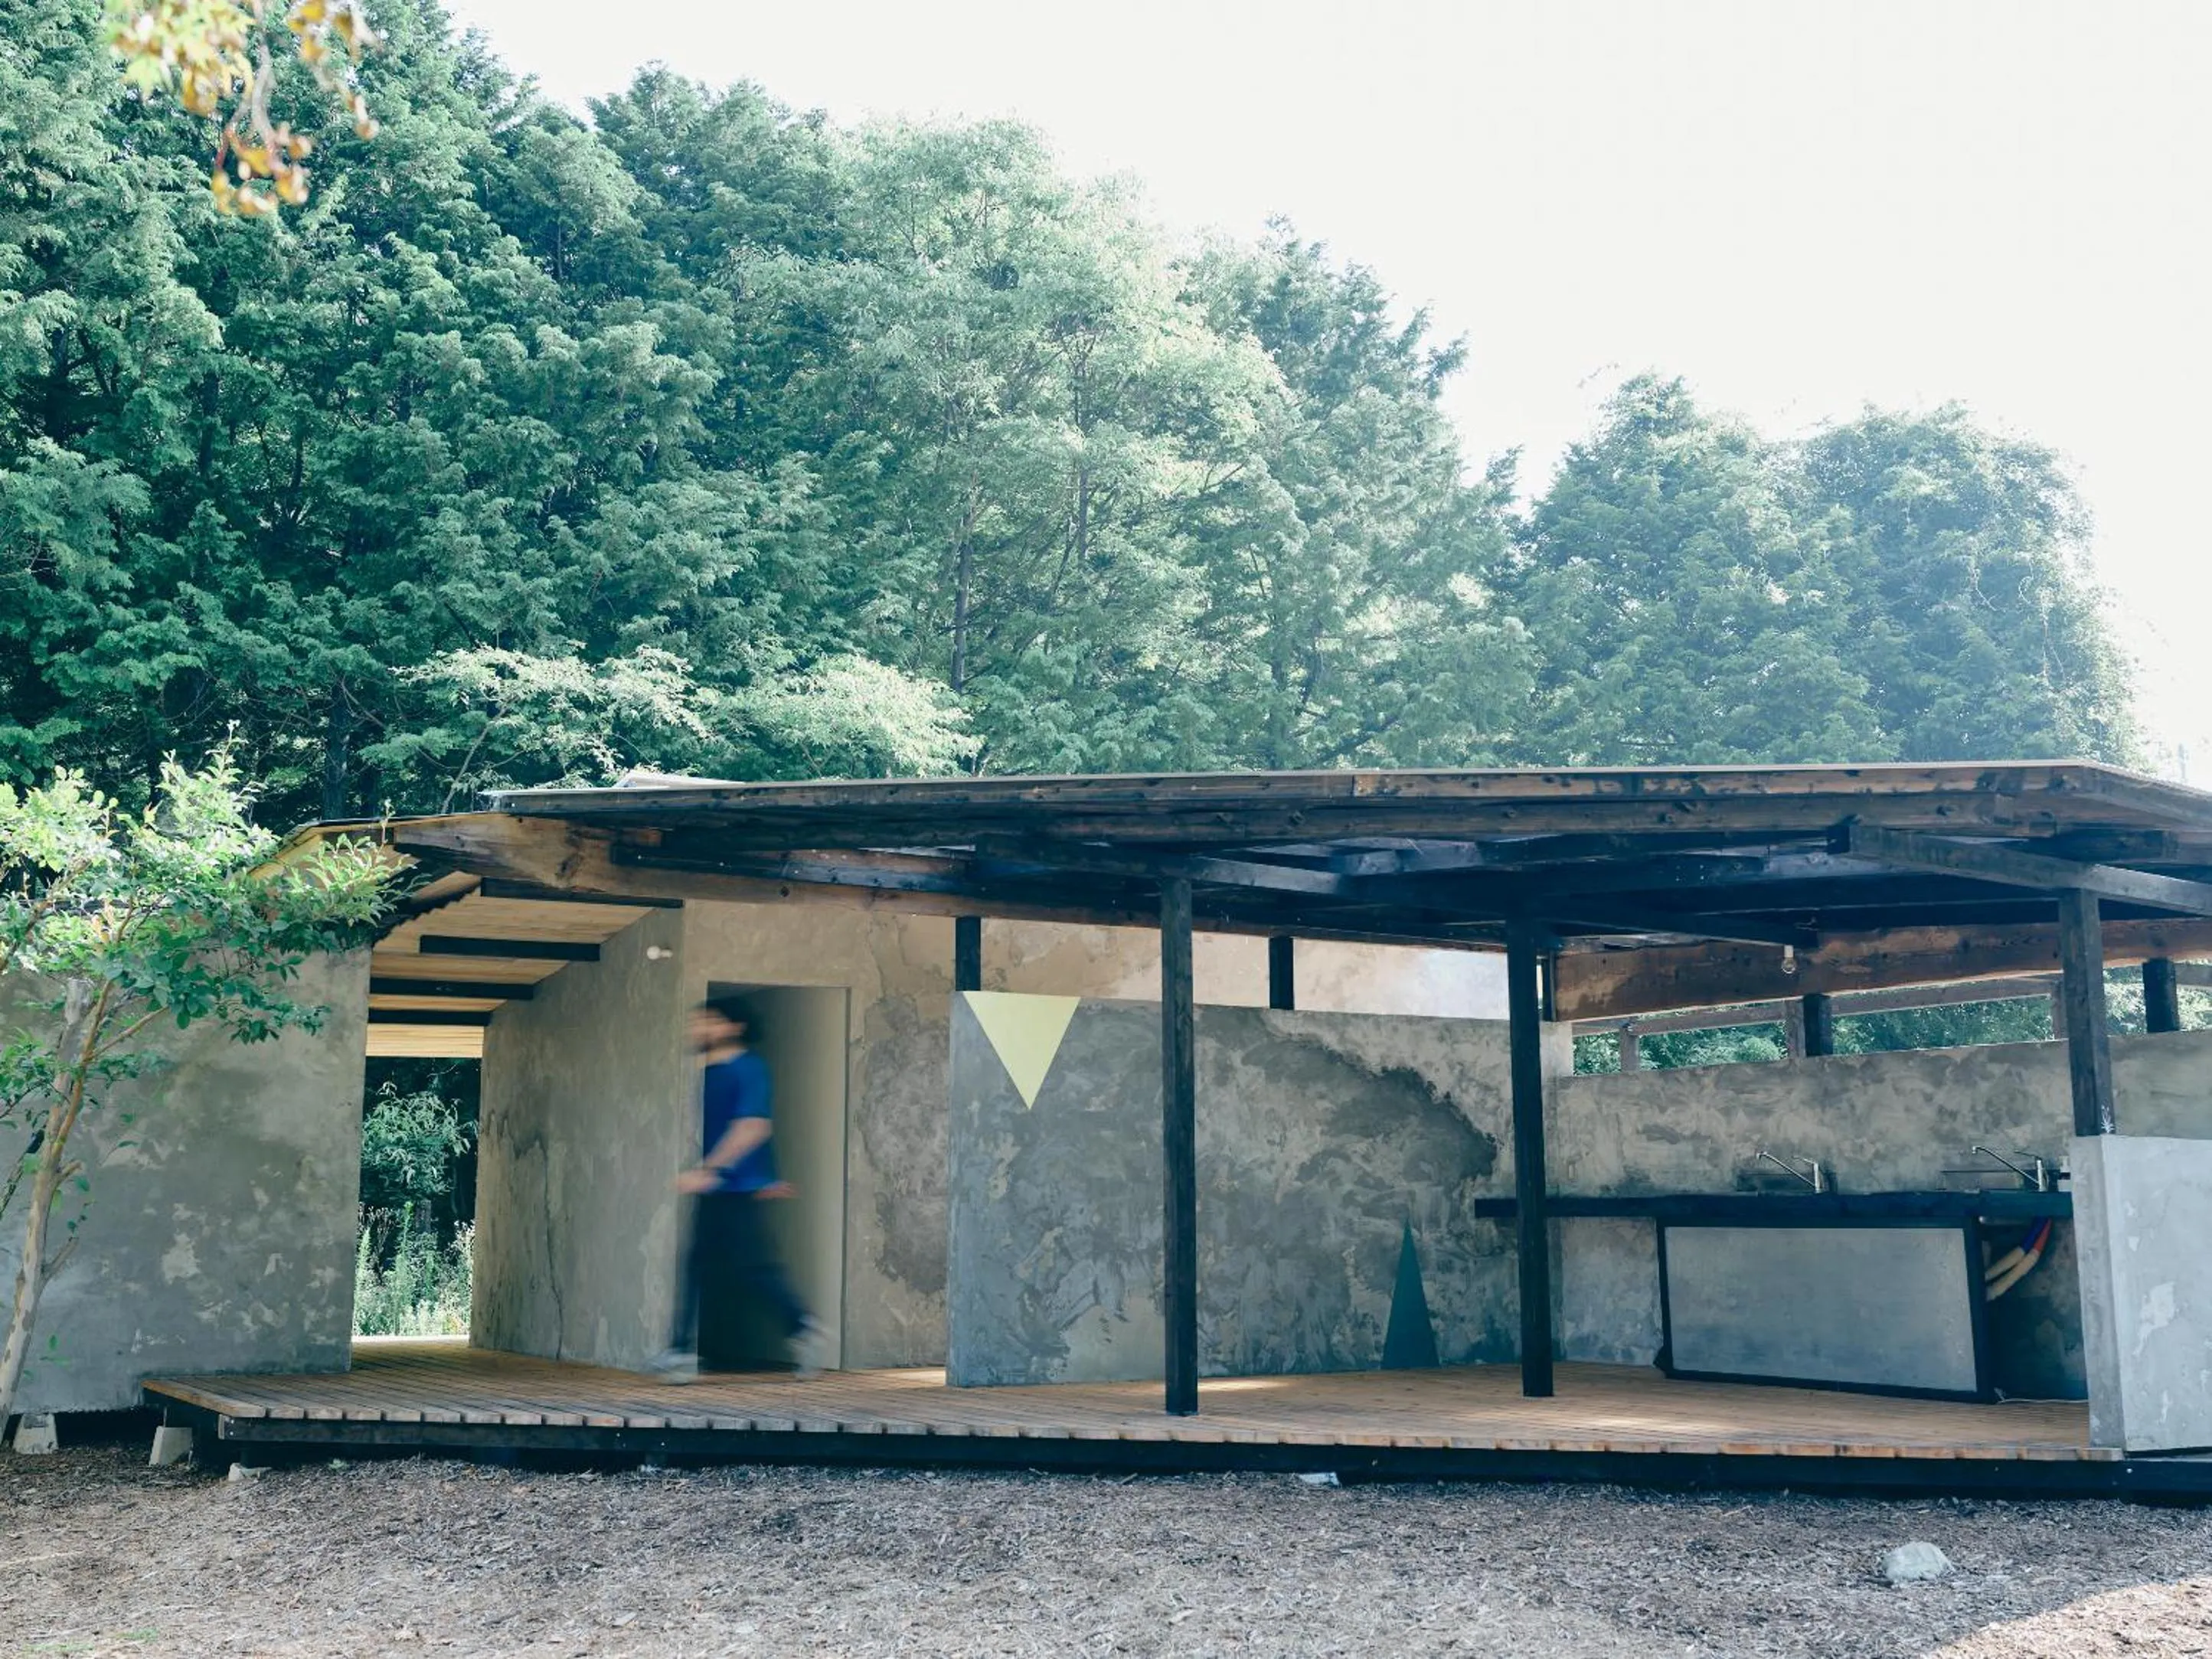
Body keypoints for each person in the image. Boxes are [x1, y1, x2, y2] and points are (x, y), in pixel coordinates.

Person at [651, 995, 826, 1382]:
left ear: (734, 1027)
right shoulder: (710, 1072)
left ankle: (801, 1326)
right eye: (697, 1023)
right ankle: (681, 1349)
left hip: (732, 1187)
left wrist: (710, 1170)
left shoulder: (748, 1068)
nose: (699, 1030)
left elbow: (753, 1126)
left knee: (749, 1267)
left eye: (708, 1022)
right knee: (704, 1265)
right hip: (724, 1187)